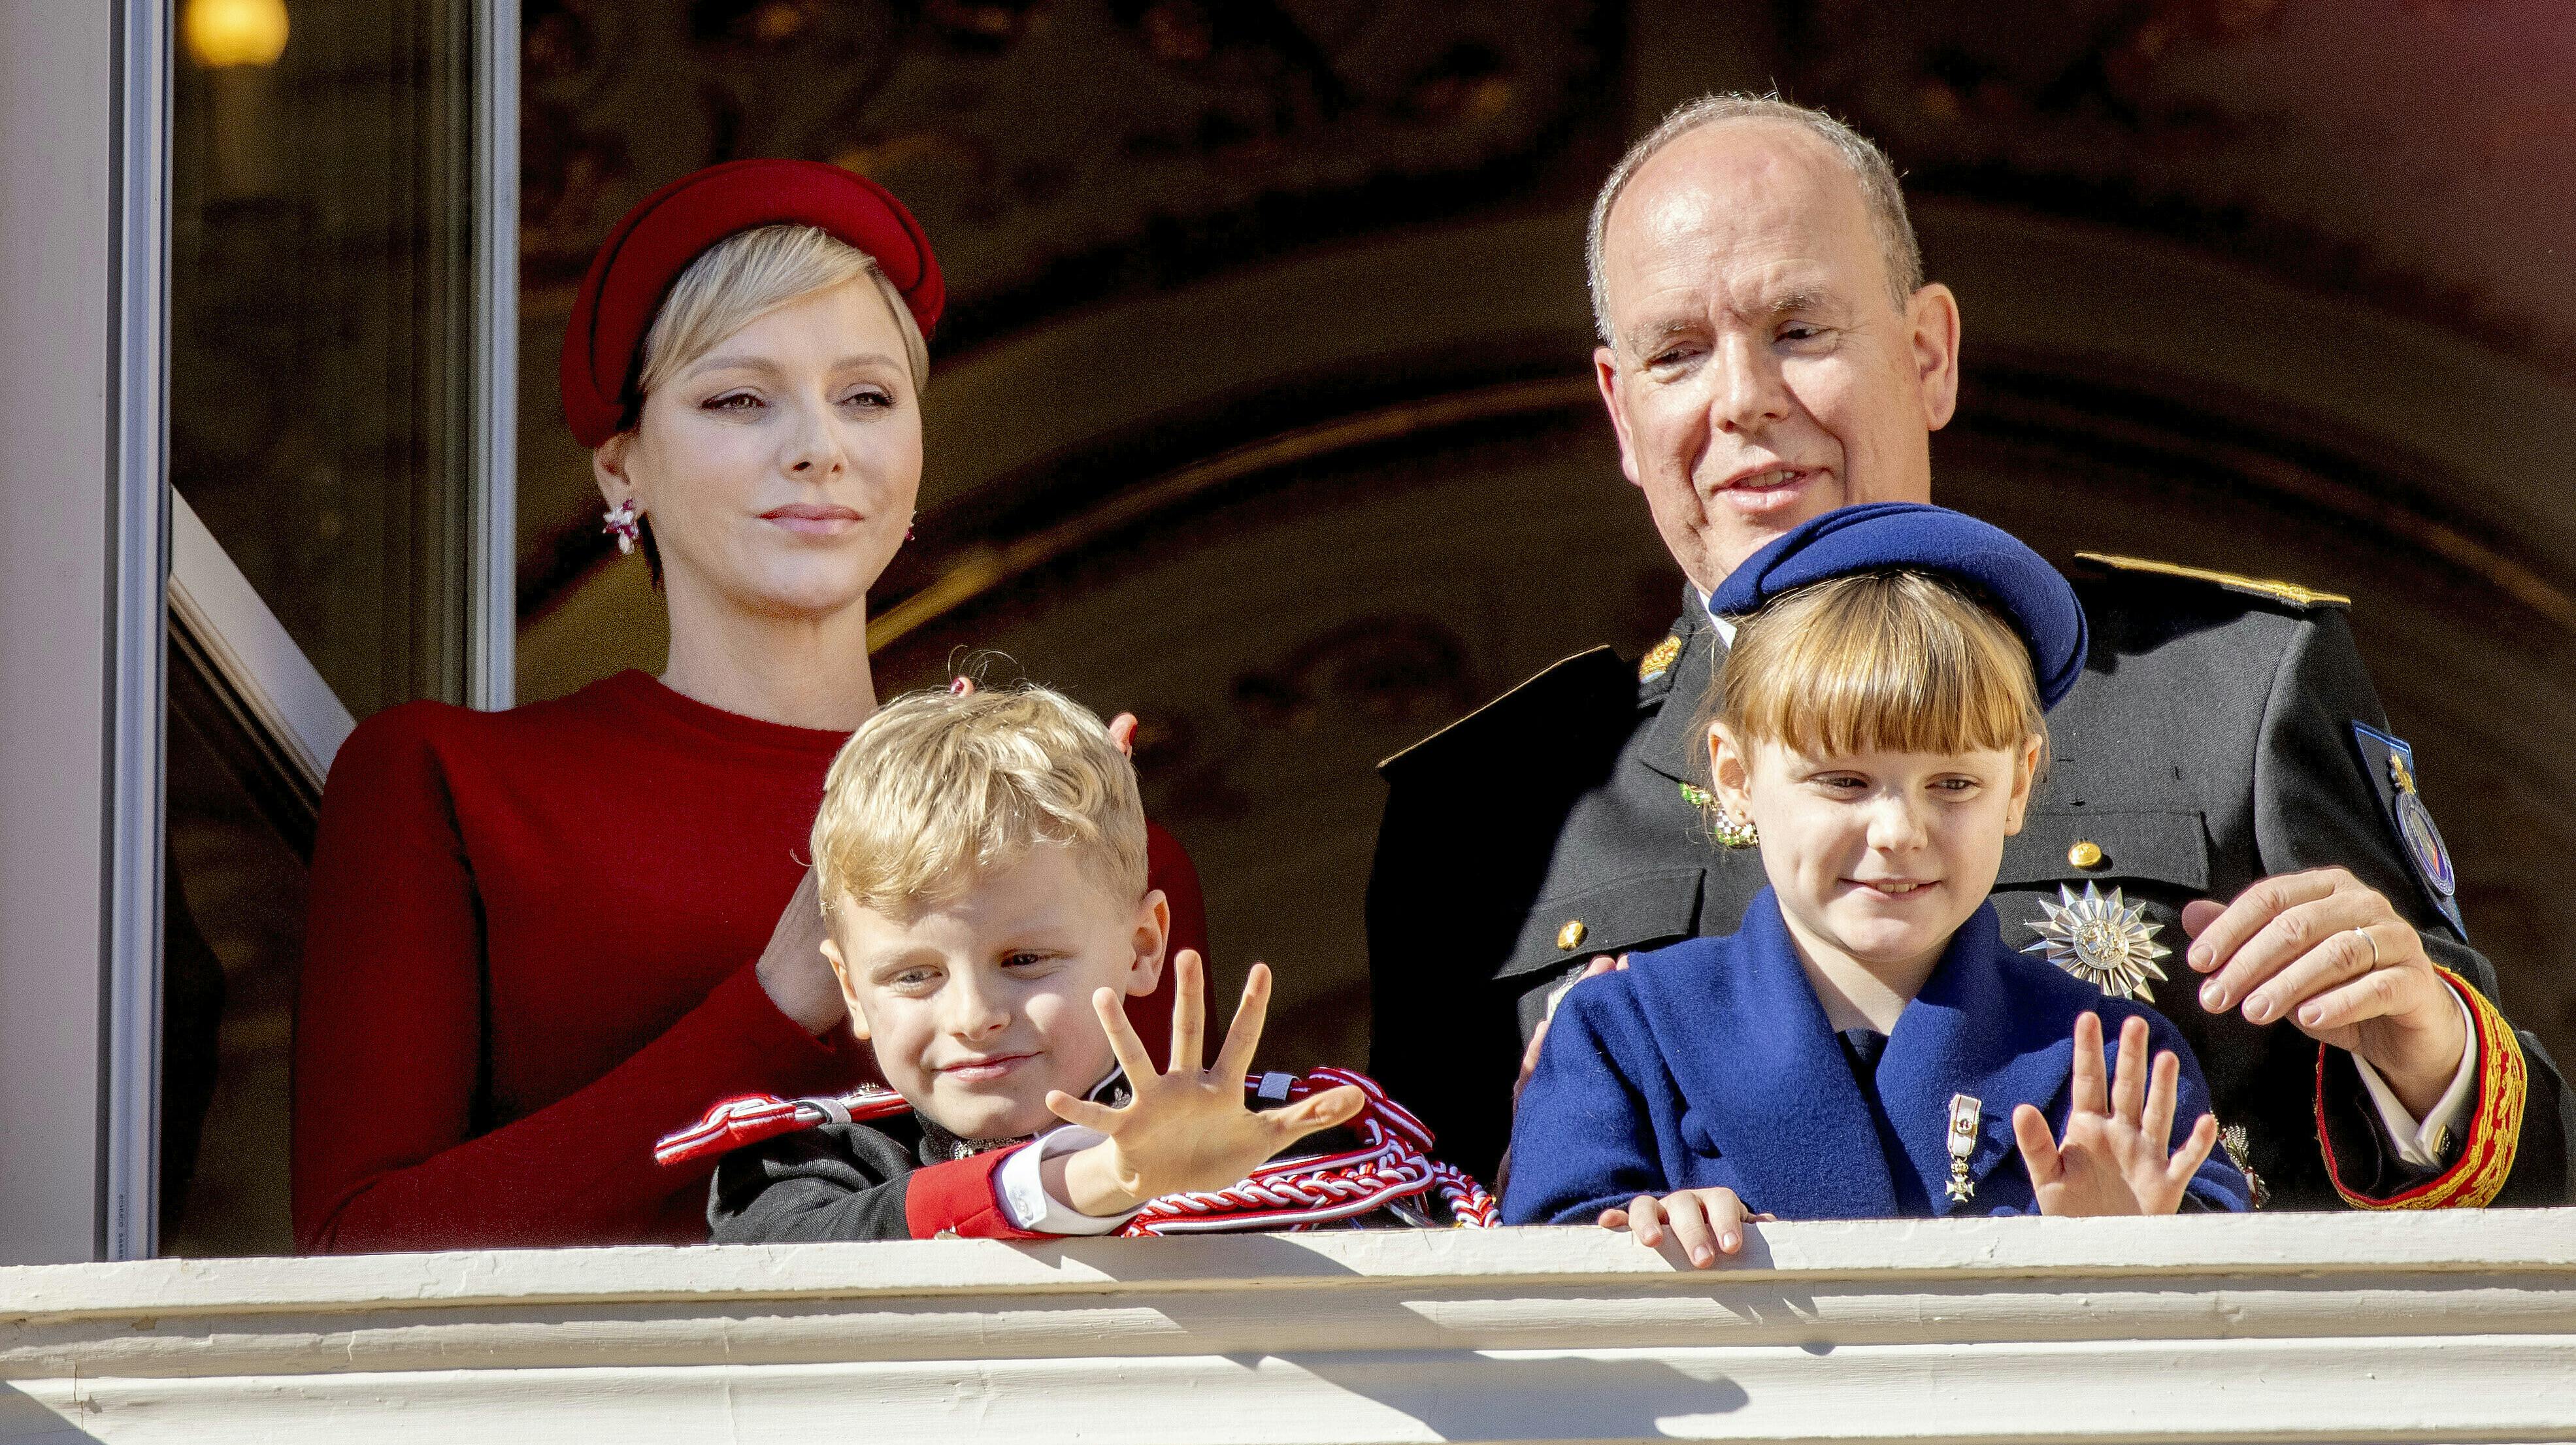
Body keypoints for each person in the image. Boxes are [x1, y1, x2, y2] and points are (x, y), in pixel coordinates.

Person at [1369, 95, 2571, 1211]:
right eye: (1676, 354)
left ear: (1929, 352)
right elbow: (1409, 1250)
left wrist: (2426, 1048)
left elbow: (2535, 1207)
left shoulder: (2224, 693)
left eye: (1797, 328)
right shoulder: (1488, 807)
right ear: (1620, 411)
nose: (1741, 398)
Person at [293, 161, 1208, 1252]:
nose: (819, 446)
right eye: (739, 398)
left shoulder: (1096, 835)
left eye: (866, 397)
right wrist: (778, 1000)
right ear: (620, 465)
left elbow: (1144, 1242)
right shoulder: (446, 781)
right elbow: (360, 1251)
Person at [1504, 505, 2250, 1259]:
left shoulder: (2115, 1062)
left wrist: (2132, 1249)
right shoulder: (1625, 1036)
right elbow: (1531, 1299)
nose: (1899, 832)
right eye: (1844, 781)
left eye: (1954, 784)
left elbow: (2239, 1324)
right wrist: (1646, 1234)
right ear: (1736, 778)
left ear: (2019, 786)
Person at [708, 684, 1365, 1242]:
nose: (974, 1017)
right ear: (851, 991)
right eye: (914, 975)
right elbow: (787, 1266)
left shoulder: (1286, 1158)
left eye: (1023, 959)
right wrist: (1093, 1180)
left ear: (1143, 947)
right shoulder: (801, 1175)